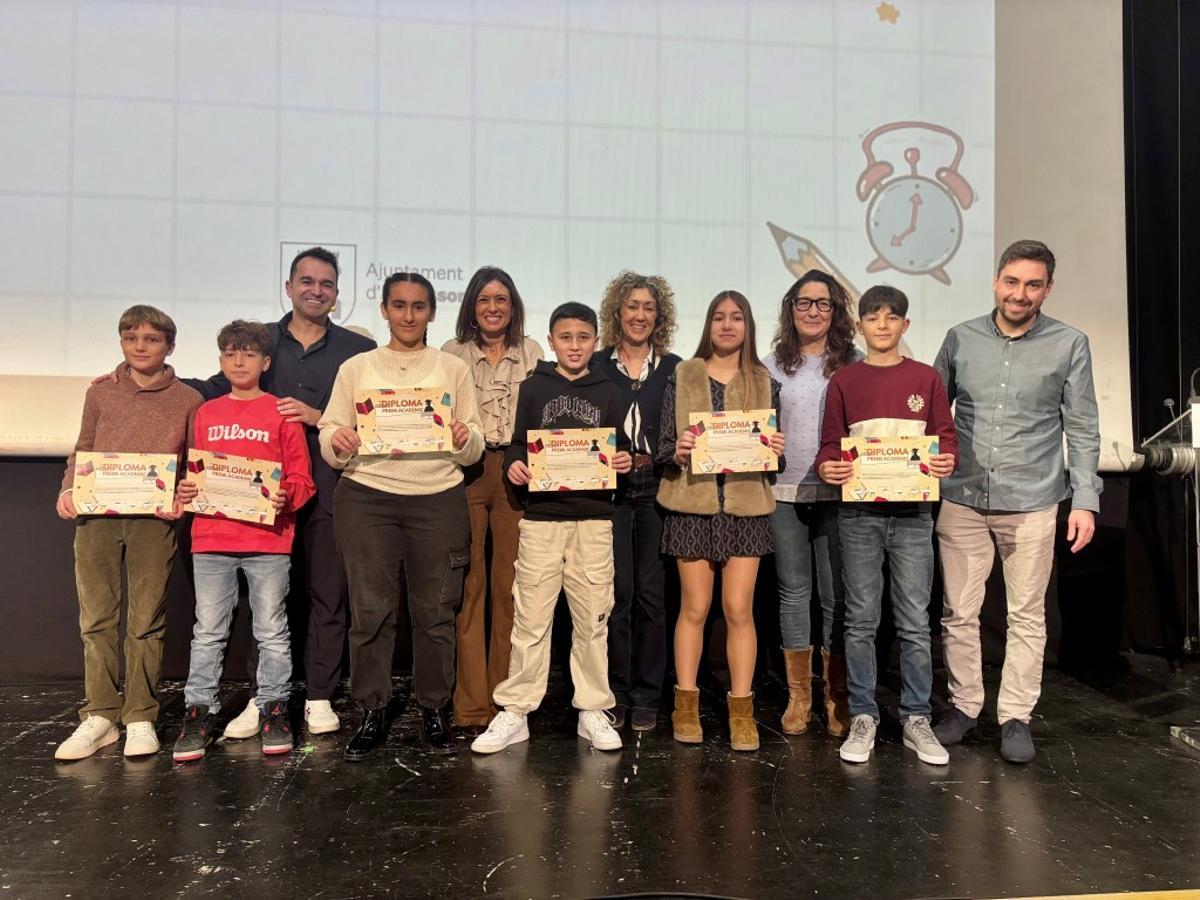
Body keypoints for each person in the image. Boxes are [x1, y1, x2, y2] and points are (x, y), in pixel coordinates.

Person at [187, 247, 376, 740]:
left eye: (327, 284)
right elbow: (214, 387)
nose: (316, 290)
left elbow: (372, 416)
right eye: (306, 281)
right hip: (260, 505)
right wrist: (148, 377)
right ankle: (262, 698)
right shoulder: (261, 340)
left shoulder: (355, 352)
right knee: (267, 607)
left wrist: (319, 418)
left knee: (327, 596)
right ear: (289, 287)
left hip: (332, 490)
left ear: (337, 295)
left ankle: (317, 696)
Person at [931, 239, 1101, 764]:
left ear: (1047, 289)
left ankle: (1015, 717)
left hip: (1032, 500)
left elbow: (1083, 425)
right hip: (961, 496)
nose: (1020, 293)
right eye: (1012, 282)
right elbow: (933, 415)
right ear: (995, 281)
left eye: (1032, 284)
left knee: (1026, 615)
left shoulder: (1070, 344)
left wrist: (1086, 498)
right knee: (958, 612)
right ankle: (964, 707)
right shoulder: (960, 339)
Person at [319, 272, 484, 759]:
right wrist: (337, 441)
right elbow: (330, 430)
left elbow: (473, 441)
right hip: (368, 496)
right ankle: (372, 709)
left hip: (437, 496)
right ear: (385, 311)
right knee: (370, 612)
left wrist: (462, 438)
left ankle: (433, 706)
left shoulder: (451, 367)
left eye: (418, 306)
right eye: (399, 305)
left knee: (436, 612)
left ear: (432, 312)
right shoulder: (356, 367)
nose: (408, 315)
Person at [470, 302, 633, 755]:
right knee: (530, 618)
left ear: (596, 341)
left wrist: (621, 462)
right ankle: (516, 710)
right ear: (552, 339)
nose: (575, 345)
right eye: (566, 337)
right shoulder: (534, 386)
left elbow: (619, 450)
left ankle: (593, 709)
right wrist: (518, 465)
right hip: (542, 518)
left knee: (593, 617)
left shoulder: (611, 390)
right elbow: (520, 442)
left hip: (594, 519)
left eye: (584, 337)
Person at [816, 285, 958, 766]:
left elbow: (946, 441)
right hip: (859, 516)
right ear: (859, 325)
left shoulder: (926, 379)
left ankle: (916, 715)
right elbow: (830, 447)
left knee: (916, 621)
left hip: (914, 516)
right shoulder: (844, 382)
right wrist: (828, 468)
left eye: (891, 317)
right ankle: (863, 714)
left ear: (905, 326)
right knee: (859, 619)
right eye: (872, 317)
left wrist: (945, 463)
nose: (882, 325)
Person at [54, 306, 202, 761]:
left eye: (152, 340)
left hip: (152, 521)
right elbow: (83, 449)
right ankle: (100, 714)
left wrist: (185, 490)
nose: (140, 347)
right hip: (96, 517)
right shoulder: (101, 393)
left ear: (169, 347)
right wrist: (67, 488)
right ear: (121, 343)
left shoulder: (189, 400)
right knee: (96, 619)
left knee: (144, 622)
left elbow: (194, 460)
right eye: (131, 338)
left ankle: (140, 715)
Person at [172, 321, 315, 761]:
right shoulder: (206, 412)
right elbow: (193, 476)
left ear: (265, 362)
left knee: (271, 630)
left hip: (268, 538)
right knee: (208, 632)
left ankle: (273, 709)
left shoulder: (280, 412)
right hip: (212, 536)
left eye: (249, 354)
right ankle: (198, 713)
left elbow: (302, 480)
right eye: (231, 353)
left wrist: (286, 494)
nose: (239, 361)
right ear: (220, 361)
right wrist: (186, 491)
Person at [656, 291, 786, 753]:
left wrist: (774, 448)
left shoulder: (764, 380)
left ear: (748, 326)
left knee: (738, 610)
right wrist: (679, 451)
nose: (727, 325)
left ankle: (741, 710)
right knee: (693, 608)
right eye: (718, 317)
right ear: (708, 324)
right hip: (692, 506)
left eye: (737, 318)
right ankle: (686, 706)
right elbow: (664, 448)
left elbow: (775, 463)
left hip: (745, 510)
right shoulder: (683, 374)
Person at [441, 266, 542, 731]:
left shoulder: (533, 352)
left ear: (514, 304)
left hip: (519, 472)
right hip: (464, 472)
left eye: (502, 298)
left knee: (510, 589)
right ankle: (470, 705)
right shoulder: (451, 352)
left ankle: (506, 703)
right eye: (484, 299)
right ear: (471, 306)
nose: (493, 307)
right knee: (469, 586)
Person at [763, 270, 860, 737]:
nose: (814, 312)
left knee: (834, 595)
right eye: (804, 303)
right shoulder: (771, 365)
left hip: (840, 495)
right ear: (790, 309)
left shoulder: (856, 363)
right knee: (792, 592)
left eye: (823, 304)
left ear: (837, 311)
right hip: (783, 492)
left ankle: (835, 695)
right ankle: (798, 696)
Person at [594, 271, 682, 732]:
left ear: (659, 316)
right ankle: (616, 692)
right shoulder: (595, 366)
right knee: (616, 595)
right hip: (609, 492)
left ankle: (648, 695)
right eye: (632, 306)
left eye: (649, 307)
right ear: (617, 312)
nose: (640, 315)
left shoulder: (674, 369)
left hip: (656, 491)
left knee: (652, 596)